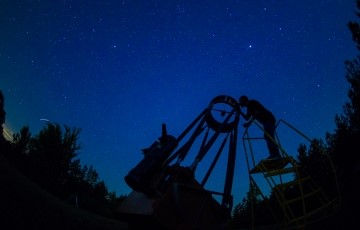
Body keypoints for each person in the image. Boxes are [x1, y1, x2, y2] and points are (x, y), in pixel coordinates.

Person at [238, 95, 281, 160]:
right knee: (267, 136)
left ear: (244, 101)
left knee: (268, 135)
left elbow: (257, 112)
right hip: (266, 121)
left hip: (269, 119)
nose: (240, 103)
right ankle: (274, 154)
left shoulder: (252, 103)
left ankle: (275, 155)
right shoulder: (249, 108)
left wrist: (249, 123)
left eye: (240, 101)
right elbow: (247, 118)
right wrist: (239, 111)